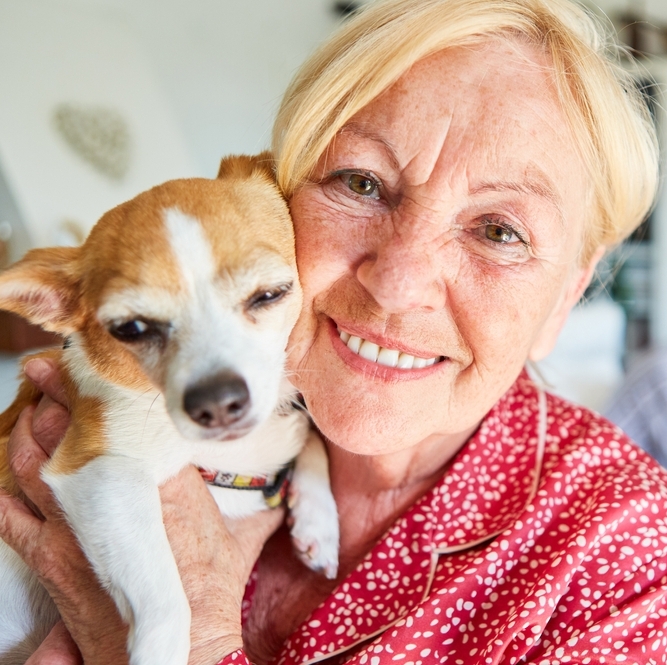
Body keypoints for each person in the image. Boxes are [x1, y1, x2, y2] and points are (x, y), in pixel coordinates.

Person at [1, 0, 666, 663]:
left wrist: (188, 636)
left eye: (499, 230)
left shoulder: (625, 559)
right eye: (361, 182)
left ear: (564, 298)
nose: (398, 282)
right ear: (282, 192)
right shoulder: (130, 410)